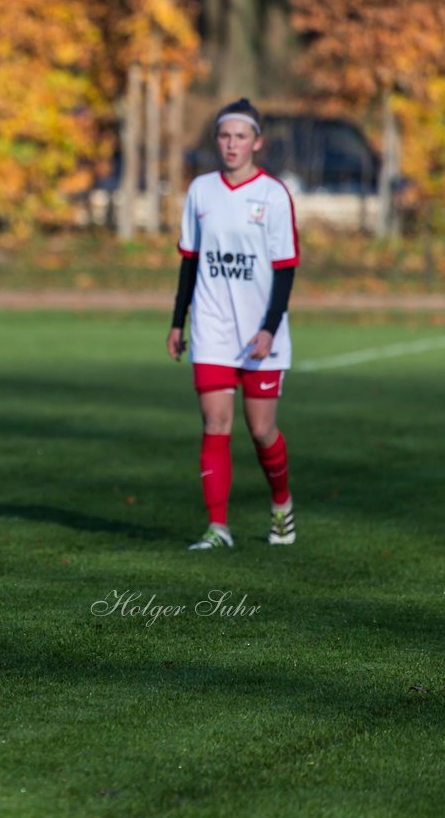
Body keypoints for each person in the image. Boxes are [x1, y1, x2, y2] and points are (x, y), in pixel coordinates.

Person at [166, 98, 299, 550]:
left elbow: (285, 268)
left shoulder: (274, 195)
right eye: (224, 136)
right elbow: (189, 261)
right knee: (215, 422)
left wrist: (269, 328)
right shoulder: (201, 191)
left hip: (261, 331)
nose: (231, 144)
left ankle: (281, 504)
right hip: (212, 326)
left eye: (241, 136)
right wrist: (177, 322)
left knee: (261, 430)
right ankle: (218, 528)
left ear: (256, 143)